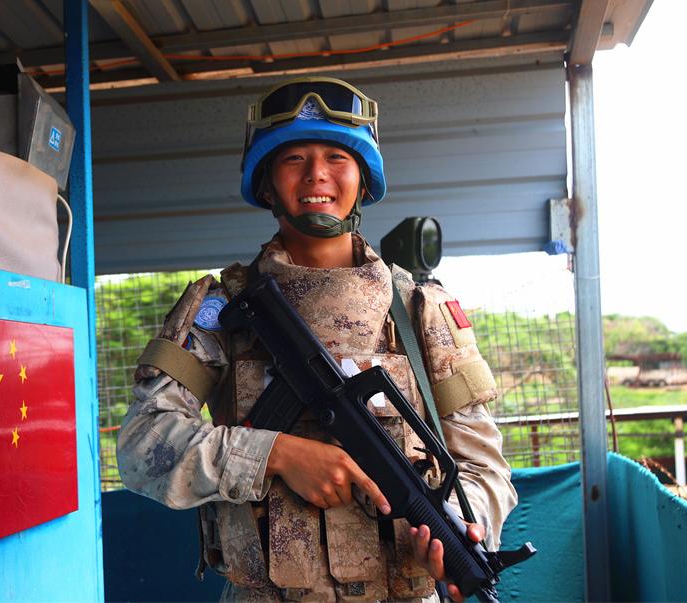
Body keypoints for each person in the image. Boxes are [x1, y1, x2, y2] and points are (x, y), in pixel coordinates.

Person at [117, 76, 517, 602]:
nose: (317, 175)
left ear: (362, 178)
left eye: (336, 157)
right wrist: (274, 454)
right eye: (293, 159)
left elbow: (485, 468)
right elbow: (142, 445)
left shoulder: (420, 311)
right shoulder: (222, 309)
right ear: (266, 184)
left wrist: (466, 531)